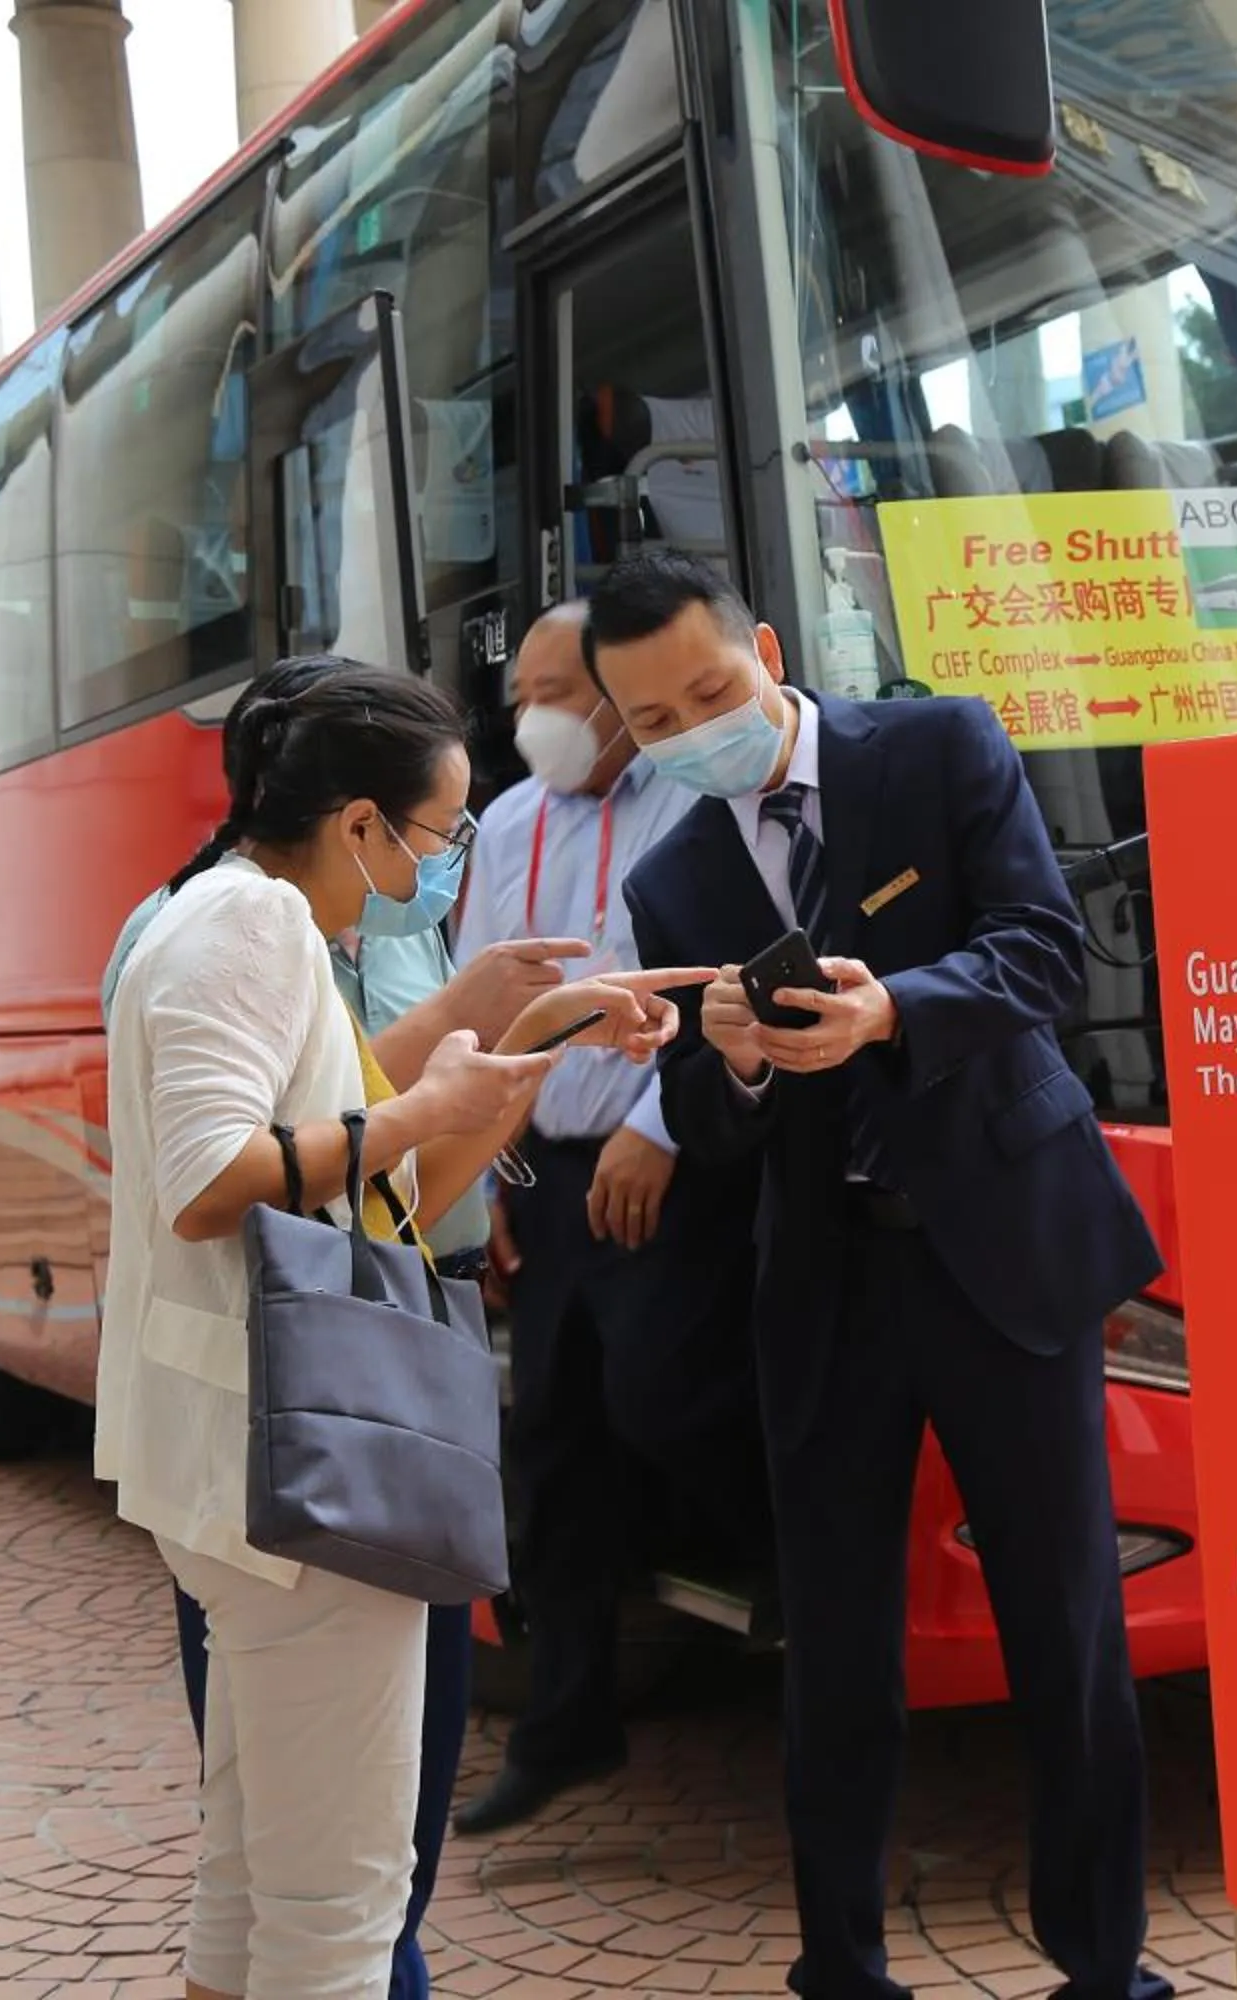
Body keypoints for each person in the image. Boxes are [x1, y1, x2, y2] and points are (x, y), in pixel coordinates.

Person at [596, 553, 1172, 2000]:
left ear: (768, 650)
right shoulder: (671, 876)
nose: (691, 732)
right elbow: (713, 1133)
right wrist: (723, 1060)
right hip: (830, 1280)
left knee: (1067, 1627)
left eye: (712, 694)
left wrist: (888, 1013)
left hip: (1005, 1248)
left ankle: (1104, 1969)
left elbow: (1043, 953)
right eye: (653, 722)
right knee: (838, 1640)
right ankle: (839, 1970)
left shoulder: (938, 742)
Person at [98, 661, 691, 1998]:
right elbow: (217, 1178)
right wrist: (432, 1110)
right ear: (359, 823)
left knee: (256, 1883)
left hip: (249, 1458)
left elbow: (371, 1169)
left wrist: (530, 1025)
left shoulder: (238, 917)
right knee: (341, 1911)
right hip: (300, 1464)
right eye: (441, 829)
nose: (448, 855)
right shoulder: (250, 929)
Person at [448, 604, 762, 1835]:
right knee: (555, 1440)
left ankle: (787, 1579)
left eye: (554, 689)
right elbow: (484, 1010)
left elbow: (731, 989)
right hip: (545, 1174)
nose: (530, 716)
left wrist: (664, 1126)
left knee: (667, 1392)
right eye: (517, 690)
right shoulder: (509, 825)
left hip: (666, 1159)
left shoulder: (696, 805)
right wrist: (488, 1167)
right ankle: (566, 1723)